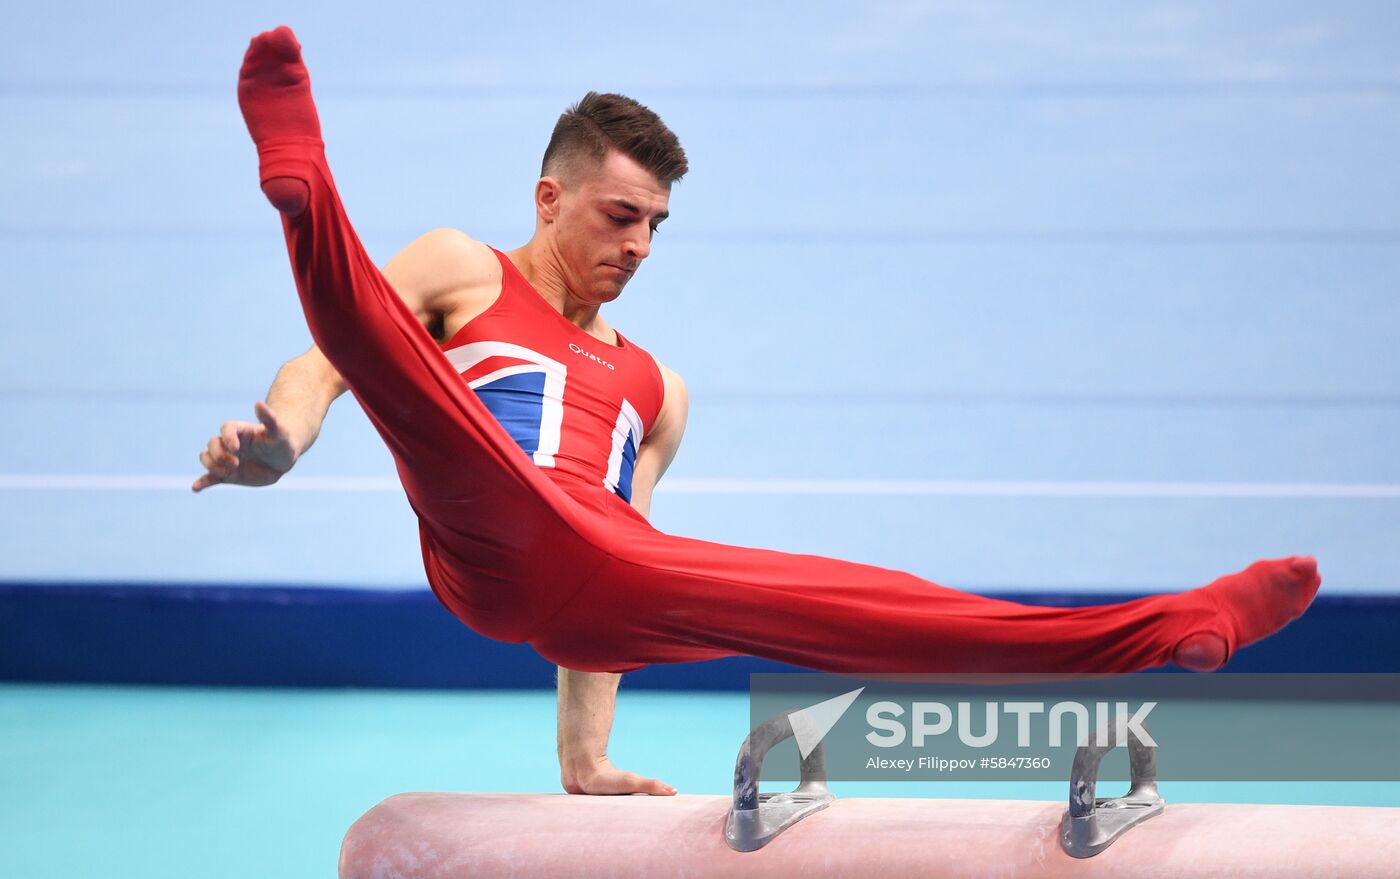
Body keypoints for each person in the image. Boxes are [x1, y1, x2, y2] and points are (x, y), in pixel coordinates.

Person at [195, 26, 1322, 797]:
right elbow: (329, 364)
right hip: (480, 538)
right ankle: (306, 192)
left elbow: (606, 563)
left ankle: (1169, 626)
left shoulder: (660, 391)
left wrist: (582, 766)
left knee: (884, 607)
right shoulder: (464, 269)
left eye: (656, 226)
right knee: (409, 381)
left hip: (597, 581)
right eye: (618, 215)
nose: (638, 246)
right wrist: (284, 439)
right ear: (549, 198)